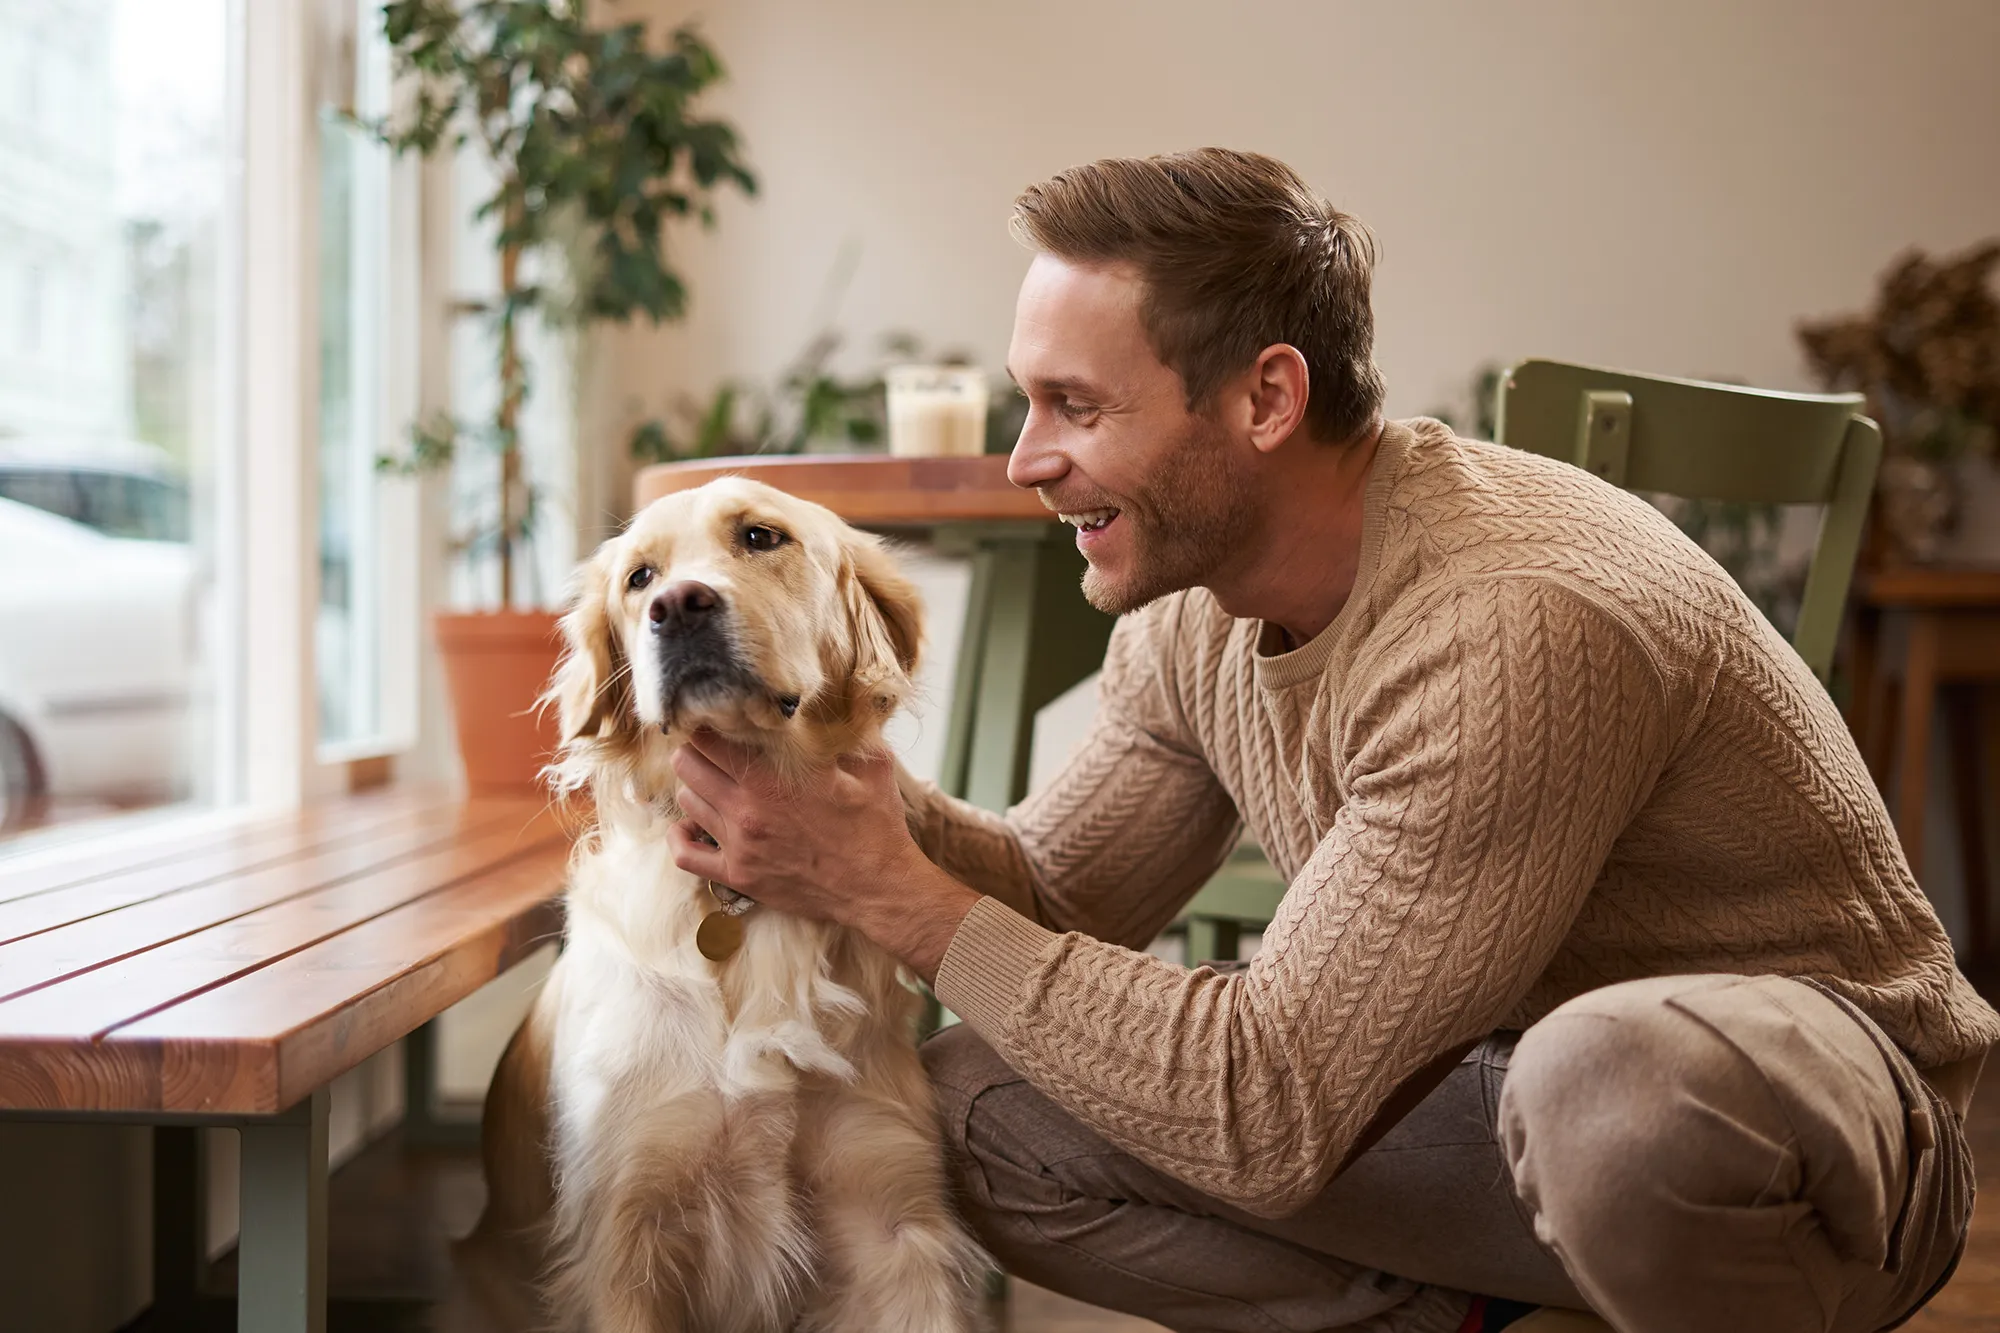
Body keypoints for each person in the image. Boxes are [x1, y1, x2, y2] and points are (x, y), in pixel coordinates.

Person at [664, 148, 1997, 1333]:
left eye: (1076, 406)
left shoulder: (1511, 626)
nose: (1026, 460)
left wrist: (882, 887)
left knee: (1605, 1086)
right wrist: (848, 799)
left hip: (1811, 1152)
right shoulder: (1196, 611)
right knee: (968, 1115)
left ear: (1265, 399)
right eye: (1029, 403)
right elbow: (1059, 897)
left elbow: (1270, 1105)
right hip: (1504, 1099)